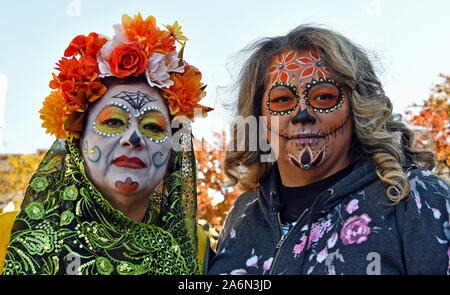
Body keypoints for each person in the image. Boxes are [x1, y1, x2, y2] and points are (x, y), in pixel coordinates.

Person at [208, 25, 449, 275]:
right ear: (259, 117)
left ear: (357, 108)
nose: (302, 114)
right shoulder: (243, 214)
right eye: (282, 100)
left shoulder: (414, 197)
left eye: (323, 97)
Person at [0, 13, 212, 275]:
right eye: (113, 121)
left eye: (153, 127)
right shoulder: (7, 237)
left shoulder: (196, 248)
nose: (133, 139)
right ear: (78, 140)